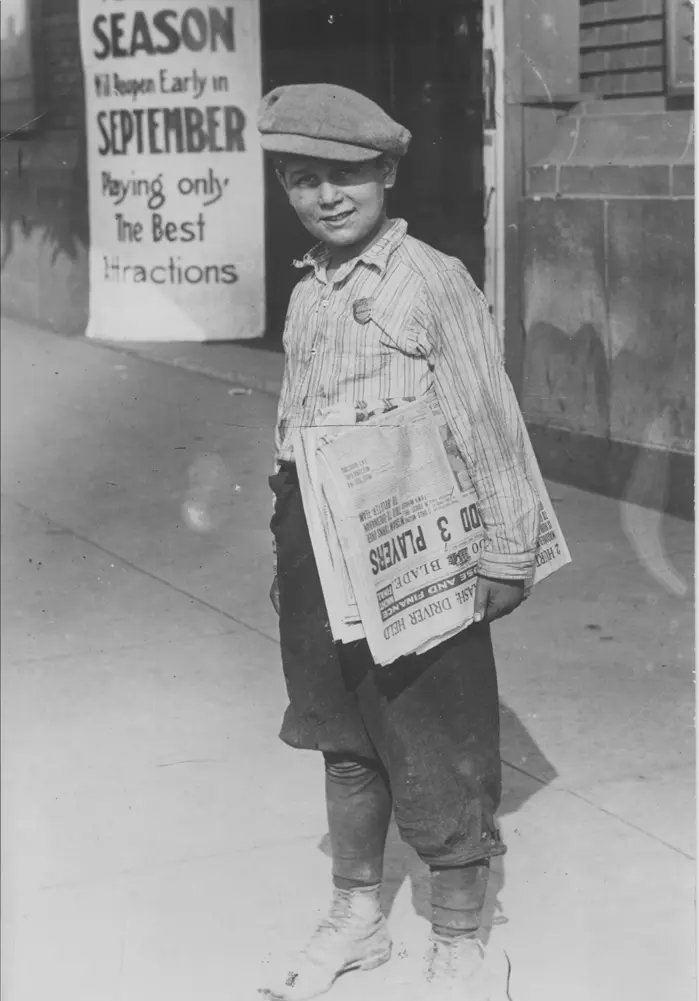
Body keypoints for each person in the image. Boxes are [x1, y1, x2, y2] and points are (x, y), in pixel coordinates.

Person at [257, 83, 538, 1001]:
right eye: (303, 179)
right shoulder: (309, 291)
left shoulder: (429, 278)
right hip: (319, 546)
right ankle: (357, 918)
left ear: (383, 171)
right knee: (343, 736)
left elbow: (487, 419)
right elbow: (294, 419)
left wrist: (505, 546)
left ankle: (460, 938)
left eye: (345, 176)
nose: (325, 196)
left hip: (416, 550)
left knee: (438, 739)